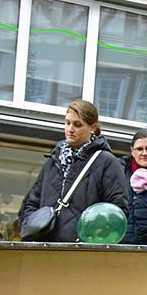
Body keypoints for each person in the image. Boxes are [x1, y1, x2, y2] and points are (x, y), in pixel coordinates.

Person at [18, 99, 128, 242]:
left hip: (81, 251)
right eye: (67, 122)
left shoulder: (106, 162)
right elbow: (31, 203)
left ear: (92, 128)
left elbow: (117, 213)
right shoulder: (53, 161)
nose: (70, 129)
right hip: (44, 247)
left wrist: (91, 239)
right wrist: (33, 228)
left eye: (77, 125)